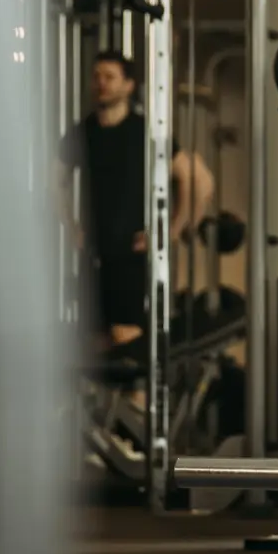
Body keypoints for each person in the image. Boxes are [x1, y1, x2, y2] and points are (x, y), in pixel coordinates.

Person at [57, 50, 214, 351]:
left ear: (128, 85)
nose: (101, 83)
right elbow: (53, 182)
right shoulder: (83, 132)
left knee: (127, 339)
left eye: (110, 77)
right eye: (97, 77)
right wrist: (70, 225)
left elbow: (199, 181)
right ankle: (102, 400)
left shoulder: (146, 132)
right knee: (94, 343)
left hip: (134, 254)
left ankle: (138, 397)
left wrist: (172, 231)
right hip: (93, 252)